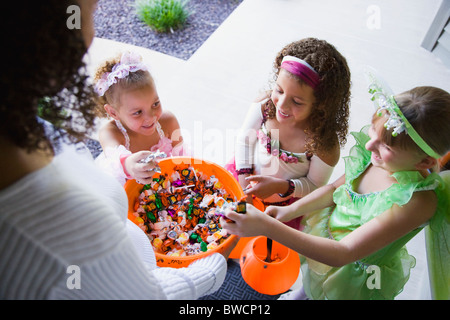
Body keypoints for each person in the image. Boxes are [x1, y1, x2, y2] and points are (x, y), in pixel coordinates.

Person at [0, 0, 232, 299]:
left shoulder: (24, 124)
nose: (93, 31)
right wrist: (219, 257)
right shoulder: (53, 240)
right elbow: (150, 296)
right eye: (92, 9)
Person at [222, 76, 450, 299]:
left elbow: (344, 254)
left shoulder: (417, 202)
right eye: (374, 131)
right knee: (314, 279)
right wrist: (288, 211)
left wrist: (268, 227)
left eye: (386, 146)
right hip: (327, 237)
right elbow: (334, 190)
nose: (370, 145)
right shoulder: (375, 157)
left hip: (351, 272)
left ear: (424, 163)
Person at [225, 38, 351, 230]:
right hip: (244, 178)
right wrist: (244, 190)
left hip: (284, 208)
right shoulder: (265, 106)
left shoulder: (323, 142)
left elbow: (314, 186)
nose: (282, 105)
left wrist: (280, 187)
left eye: (297, 102)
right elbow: (245, 142)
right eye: (279, 90)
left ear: (321, 104)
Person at [94, 51, 185, 185]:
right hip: (128, 189)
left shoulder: (168, 121)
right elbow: (116, 158)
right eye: (137, 112)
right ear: (113, 113)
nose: (151, 117)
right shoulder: (110, 133)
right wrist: (129, 164)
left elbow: (182, 160)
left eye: (155, 104)